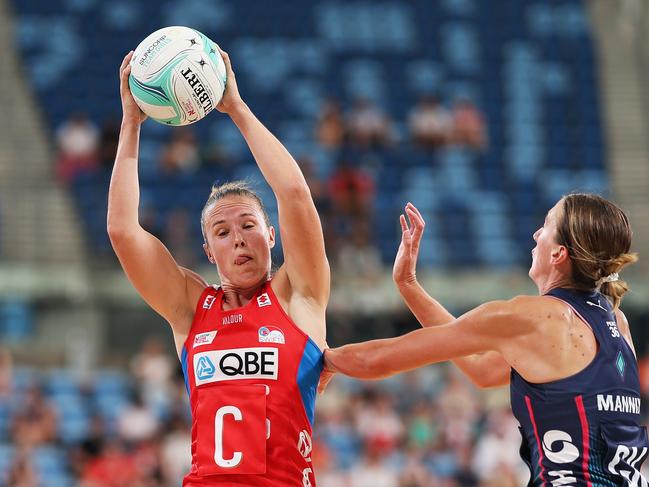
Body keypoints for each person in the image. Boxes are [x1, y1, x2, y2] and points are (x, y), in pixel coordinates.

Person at [108, 49, 329, 486]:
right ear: (208, 251)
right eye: (222, 232)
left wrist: (237, 108)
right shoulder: (190, 305)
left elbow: (296, 196)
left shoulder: (298, 293)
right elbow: (121, 231)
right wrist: (131, 123)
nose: (239, 238)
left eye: (248, 225)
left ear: (271, 235)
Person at [324, 195, 648, 485]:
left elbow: (382, 359)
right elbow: (480, 370)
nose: (536, 234)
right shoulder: (615, 321)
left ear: (559, 254)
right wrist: (409, 285)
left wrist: (321, 358)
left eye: (547, 225)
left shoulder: (536, 317)